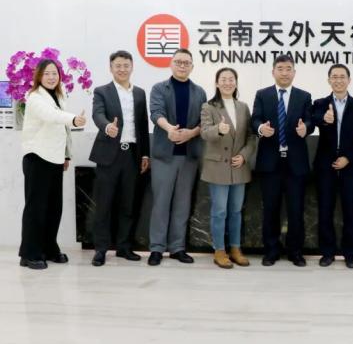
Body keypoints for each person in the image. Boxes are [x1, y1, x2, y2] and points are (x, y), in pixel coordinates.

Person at [19, 59, 86, 269]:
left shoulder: (59, 95)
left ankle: (49, 248)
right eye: (47, 73)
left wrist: (66, 155)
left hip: (55, 158)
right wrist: (74, 119)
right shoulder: (34, 97)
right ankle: (29, 254)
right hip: (37, 157)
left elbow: (62, 130)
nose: (51, 77)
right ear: (39, 76)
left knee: (53, 208)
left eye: (54, 73)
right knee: (36, 208)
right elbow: (52, 116)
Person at [89, 50, 151, 267]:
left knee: (128, 204)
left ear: (132, 67)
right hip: (108, 156)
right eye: (118, 66)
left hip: (132, 155)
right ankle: (101, 249)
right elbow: (97, 114)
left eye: (126, 65)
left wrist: (145, 153)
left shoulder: (140, 93)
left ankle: (124, 247)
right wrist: (107, 126)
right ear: (111, 68)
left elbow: (143, 125)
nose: (122, 69)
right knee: (104, 205)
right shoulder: (102, 91)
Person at [251, 54, 314, 267]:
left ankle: (295, 252)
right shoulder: (262, 94)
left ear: (294, 72)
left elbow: (310, 121)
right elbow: (255, 119)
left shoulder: (304, 96)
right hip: (270, 163)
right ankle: (271, 251)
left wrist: (306, 128)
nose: (285, 73)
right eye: (280, 69)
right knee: (270, 209)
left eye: (288, 69)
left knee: (296, 210)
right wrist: (261, 128)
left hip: (296, 163)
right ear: (273, 72)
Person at [147, 49, 207, 266]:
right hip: (165, 155)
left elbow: (204, 121)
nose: (182, 66)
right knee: (161, 203)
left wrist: (192, 133)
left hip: (189, 156)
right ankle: (156, 248)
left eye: (186, 62)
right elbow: (156, 113)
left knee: (183, 204)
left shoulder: (199, 92)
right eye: (178, 62)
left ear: (192, 66)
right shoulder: (159, 88)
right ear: (171, 64)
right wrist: (169, 129)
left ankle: (177, 248)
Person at [311, 64, 353, 269]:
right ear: (329, 80)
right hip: (325, 166)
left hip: (350, 166)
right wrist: (324, 119)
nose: (338, 80)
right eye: (334, 77)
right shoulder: (320, 103)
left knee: (351, 212)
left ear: (349, 80)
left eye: (342, 77)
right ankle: (327, 253)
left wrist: (348, 158)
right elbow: (312, 120)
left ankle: (350, 254)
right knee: (325, 210)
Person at [200, 67, 256, 269]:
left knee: (236, 211)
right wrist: (219, 129)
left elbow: (251, 136)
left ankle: (235, 249)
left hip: (238, 166)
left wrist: (244, 156)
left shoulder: (243, 107)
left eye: (231, 79)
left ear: (236, 82)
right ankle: (219, 250)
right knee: (219, 211)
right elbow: (205, 132)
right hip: (217, 167)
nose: (227, 82)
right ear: (217, 83)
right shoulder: (208, 107)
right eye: (223, 79)